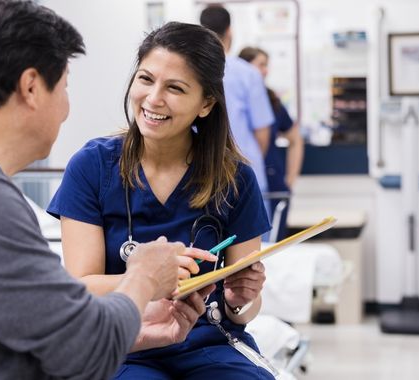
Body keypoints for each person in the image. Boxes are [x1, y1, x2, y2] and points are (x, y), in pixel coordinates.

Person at [0, 1, 201, 378]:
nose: (67, 109)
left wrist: (136, 332)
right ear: (32, 87)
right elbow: (84, 351)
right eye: (65, 87)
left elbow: (43, 334)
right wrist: (145, 275)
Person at [47, 21, 274, 379]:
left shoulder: (235, 179)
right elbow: (82, 287)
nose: (153, 99)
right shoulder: (92, 167)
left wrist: (238, 300)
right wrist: (156, 277)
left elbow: (243, 310)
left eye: (175, 88)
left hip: (210, 344)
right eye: (145, 79)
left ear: (206, 103)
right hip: (125, 346)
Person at [200, 5, 274, 201]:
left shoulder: (195, 73)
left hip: (204, 175)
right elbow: (262, 131)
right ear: (230, 31)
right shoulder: (248, 73)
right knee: (253, 231)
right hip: (246, 174)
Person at [239, 46, 304, 241]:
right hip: (246, 183)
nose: (265, 70)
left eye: (267, 65)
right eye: (260, 65)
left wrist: (290, 179)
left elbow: (295, 139)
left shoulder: (272, 101)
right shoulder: (232, 98)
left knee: (274, 245)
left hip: (274, 185)